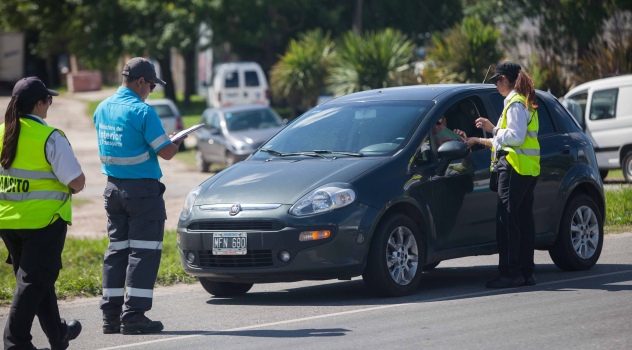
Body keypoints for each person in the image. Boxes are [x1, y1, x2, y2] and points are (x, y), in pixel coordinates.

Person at [94, 57, 185, 335]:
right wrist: (176, 141)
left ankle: (110, 316)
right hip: (142, 194)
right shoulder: (142, 112)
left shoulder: (102, 107)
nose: (152, 91)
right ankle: (133, 316)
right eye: (151, 86)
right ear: (141, 81)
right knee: (144, 253)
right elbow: (167, 153)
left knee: (117, 251)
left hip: (112, 190)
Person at [0, 77, 85, 349]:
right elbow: (77, 182)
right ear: (39, 103)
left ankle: (58, 334)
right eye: (48, 99)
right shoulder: (49, 137)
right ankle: (15, 342)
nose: (49, 104)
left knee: (39, 280)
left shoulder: (2, 131)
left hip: (8, 220)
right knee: (33, 282)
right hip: (44, 221)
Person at [465, 61, 540, 289]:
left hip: (514, 167)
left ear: (505, 80)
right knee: (524, 220)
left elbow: (515, 137)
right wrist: (481, 138)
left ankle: (510, 274)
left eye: (497, 80)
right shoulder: (522, 101)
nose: (496, 85)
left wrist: (493, 129)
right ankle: (526, 272)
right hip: (527, 169)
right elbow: (510, 138)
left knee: (506, 221)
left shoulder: (515, 103)